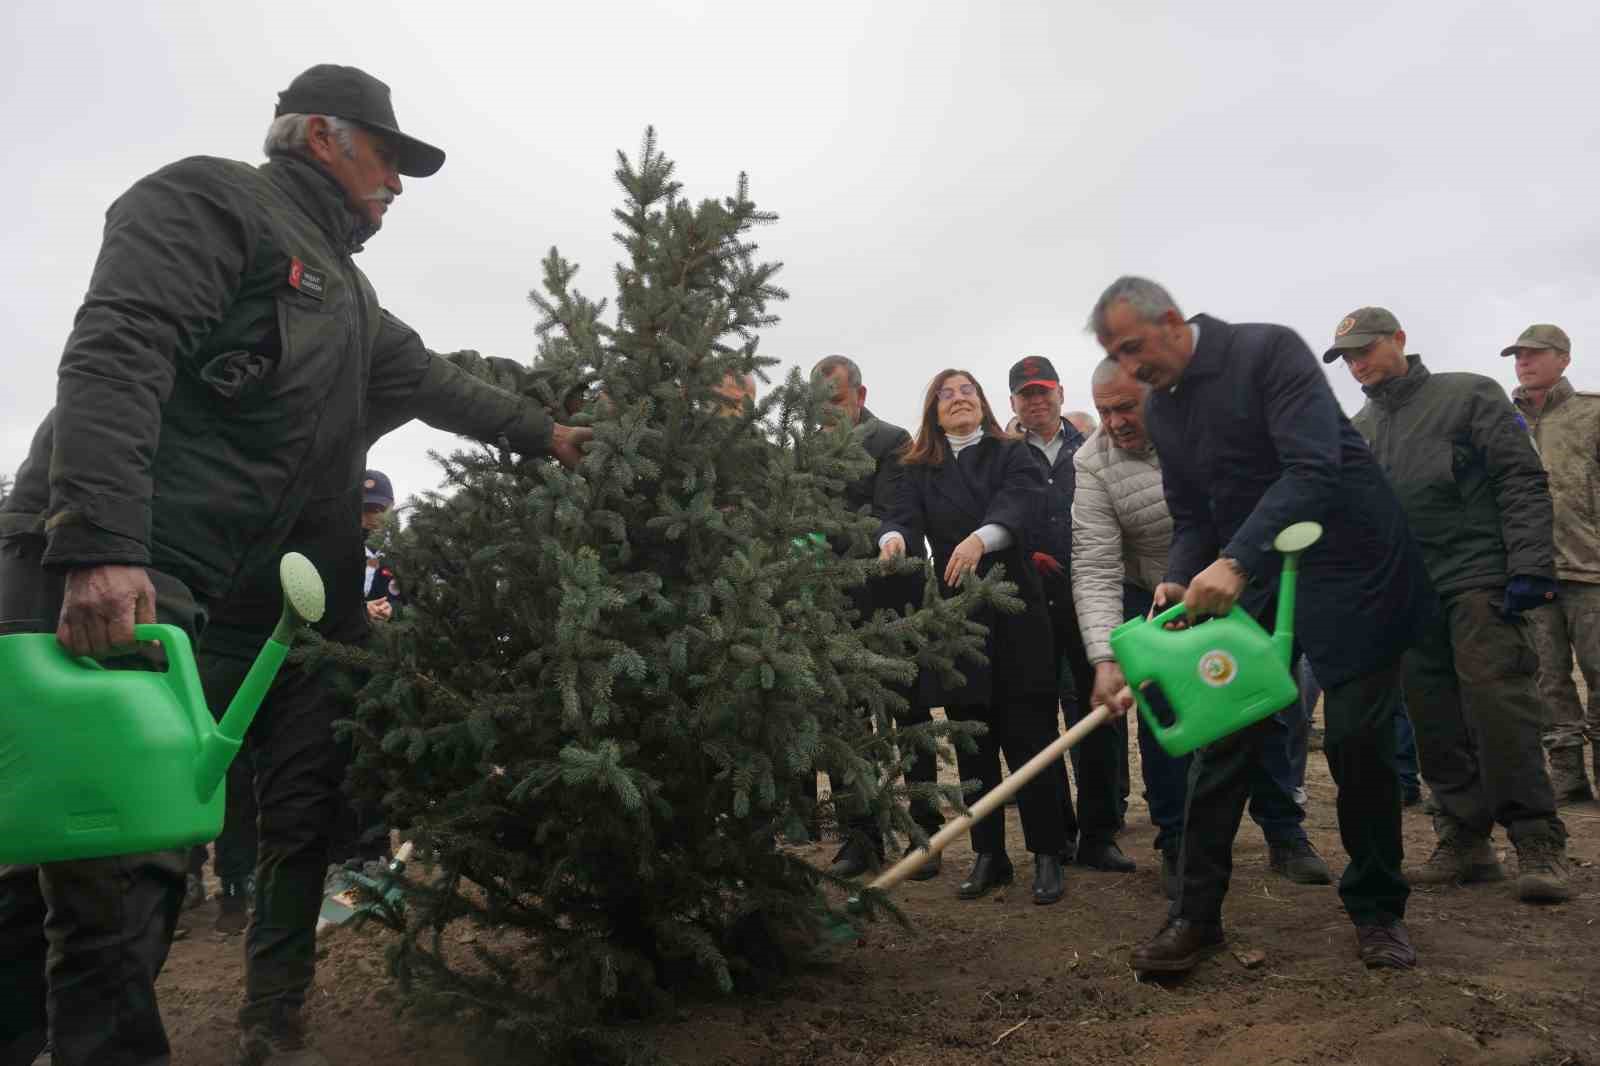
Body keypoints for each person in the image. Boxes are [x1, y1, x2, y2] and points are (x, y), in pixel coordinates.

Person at [0, 64, 590, 1066]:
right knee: (86, 857)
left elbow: (447, 386)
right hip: (111, 571)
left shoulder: (353, 301)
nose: (397, 185)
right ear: (322, 136)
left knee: (114, 866)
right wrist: (99, 542)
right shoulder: (209, 199)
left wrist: (563, 437)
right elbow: (119, 346)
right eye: (388, 159)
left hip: (205, 598)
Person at [1091, 276, 1436, 974]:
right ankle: (1195, 916)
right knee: (1223, 736)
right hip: (1253, 577)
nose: (1130, 370)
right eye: (1115, 357)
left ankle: (1376, 910)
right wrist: (1185, 572)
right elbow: (1192, 514)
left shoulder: (1267, 353)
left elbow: (1316, 466)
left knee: (1357, 740)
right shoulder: (1162, 410)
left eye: (1133, 349)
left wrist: (1237, 561)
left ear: (1171, 320)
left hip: (1352, 566)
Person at [1328, 308, 1569, 902]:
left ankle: (1538, 838)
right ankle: (1464, 838)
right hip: (1409, 594)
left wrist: (1531, 565)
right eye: (1348, 356)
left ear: (1400, 341)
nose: (1358, 363)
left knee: (1498, 706)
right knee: (1433, 716)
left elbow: (1520, 476)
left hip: (1480, 578)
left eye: (1366, 349)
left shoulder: (1467, 395)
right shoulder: (1359, 428)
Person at [1071, 358, 1332, 898]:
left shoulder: (1207, 428)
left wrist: (1233, 570)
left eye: (1126, 406)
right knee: (1168, 710)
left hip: (1235, 576)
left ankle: (1284, 830)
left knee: (1261, 698)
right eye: (1103, 411)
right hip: (1153, 592)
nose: (1115, 421)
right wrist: (1106, 656)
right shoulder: (1091, 463)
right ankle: (1177, 843)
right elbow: (1095, 566)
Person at [879, 370, 1070, 904]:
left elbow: (1021, 505)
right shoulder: (919, 467)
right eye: (945, 394)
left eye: (966, 391)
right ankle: (989, 854)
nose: (958, 399)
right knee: (972, 739)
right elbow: (899, 516)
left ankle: (1048, 852)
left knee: (1030, 736)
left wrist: (978, 541)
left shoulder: (1012, 453)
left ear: (983, 403)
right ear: (933, 412)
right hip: (956, 618)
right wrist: (892, 540)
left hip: (1017, 612)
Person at [809, 355, 943, 881]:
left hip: (892, 599)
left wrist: (822, 535)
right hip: (833, 604)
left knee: (909, 714)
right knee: (843, 719)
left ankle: (925, 827)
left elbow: (888, 518)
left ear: (860, 397)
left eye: (837, 401)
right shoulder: (805, 454)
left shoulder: (892, 441)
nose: (827, 414)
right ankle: (859, 836)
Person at [1008, 355, 1134, 874]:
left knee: (1098, 715)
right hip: (1027, 605)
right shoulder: (1004, 456)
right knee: (1037, 717)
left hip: (1091, 599)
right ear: (1013, 402)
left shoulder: (1094, 448)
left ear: (1060, 392)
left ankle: (1100, 833)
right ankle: (1055, 832)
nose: (1036, 401)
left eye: (1043, 391)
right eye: (1025, 394)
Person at [1506, 324, 1600, 805]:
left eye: (1535, 354)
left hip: (1591, 570)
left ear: (1563, 358)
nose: (1524, 362)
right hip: (1530, 571)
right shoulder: (1501, 420)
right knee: (1547, 679)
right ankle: (1567, 779)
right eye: (1518, 356)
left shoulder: (1592, 413)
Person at [362, 470, 404, 623]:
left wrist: (392, 609)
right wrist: (360, 610)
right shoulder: (339, 548)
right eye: (366, 508)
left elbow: (415, 601)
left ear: (391, 507)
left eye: (379, 508)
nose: (373, 516)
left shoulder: (403, 552)